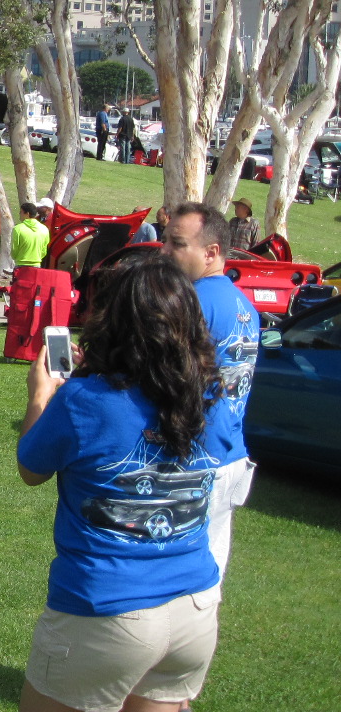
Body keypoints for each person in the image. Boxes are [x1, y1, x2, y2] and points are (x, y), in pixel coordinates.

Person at [16, 252, 224, 712]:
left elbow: (32, 469)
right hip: (194, 606)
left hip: (107, 608)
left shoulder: (84, 400)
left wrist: (40, 396)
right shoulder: (209, 391)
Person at [161, 202, 259, 583]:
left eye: (176, 243)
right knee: (208, 577)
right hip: (231, 456)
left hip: (195, 459)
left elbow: (164, 379)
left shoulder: (193, 303)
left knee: (170, 580)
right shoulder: (244, 306)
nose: (165, 251)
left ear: (212, 252)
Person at [10, 201, 51, 270]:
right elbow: (44, 250)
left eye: (21, 212)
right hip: (37, 264)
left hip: (21, 264)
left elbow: (14, 249)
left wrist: (17, 257)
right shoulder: (44, 229)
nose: (19, 214)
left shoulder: (18, 229)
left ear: (27, 214)